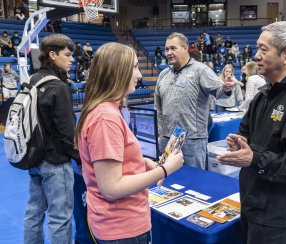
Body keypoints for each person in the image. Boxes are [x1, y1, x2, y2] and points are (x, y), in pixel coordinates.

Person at [218, 21, 286, 244]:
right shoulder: (264, 94)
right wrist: (239, 144)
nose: (256, 55)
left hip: (277, 215)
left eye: (263, 49)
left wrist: (254, 157)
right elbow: (247, 135)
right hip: (252, 203)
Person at [75, 42, 184, 242]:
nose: (140, 75)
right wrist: (164, 170)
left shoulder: (105, 111)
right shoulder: (105, 118)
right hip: (122, 227)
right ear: (118, 72)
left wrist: (141, 163)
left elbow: (112, 163)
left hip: (117, 224)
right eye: (134, 67)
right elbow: (111, 188)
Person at [24, 34, 80, 243]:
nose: (71, 59)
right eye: (67, 55)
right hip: (56, 161)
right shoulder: (58, 87)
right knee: (60, 218)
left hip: (33, 157)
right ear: (53, 55)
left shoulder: (32, 80)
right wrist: (81, 159)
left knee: (33, 212)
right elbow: (68, 133)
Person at [155, 32, 235, 169]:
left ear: (185, 48)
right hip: (166, 139)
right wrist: (161, 133)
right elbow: (158, 107)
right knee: (167, 181)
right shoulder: (163, 74)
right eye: (167, 49)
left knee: (194, 181)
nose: (168, 52)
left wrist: (227, 88)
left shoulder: (201, 70)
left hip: (192, 140)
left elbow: (219, 92)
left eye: (173, 48)